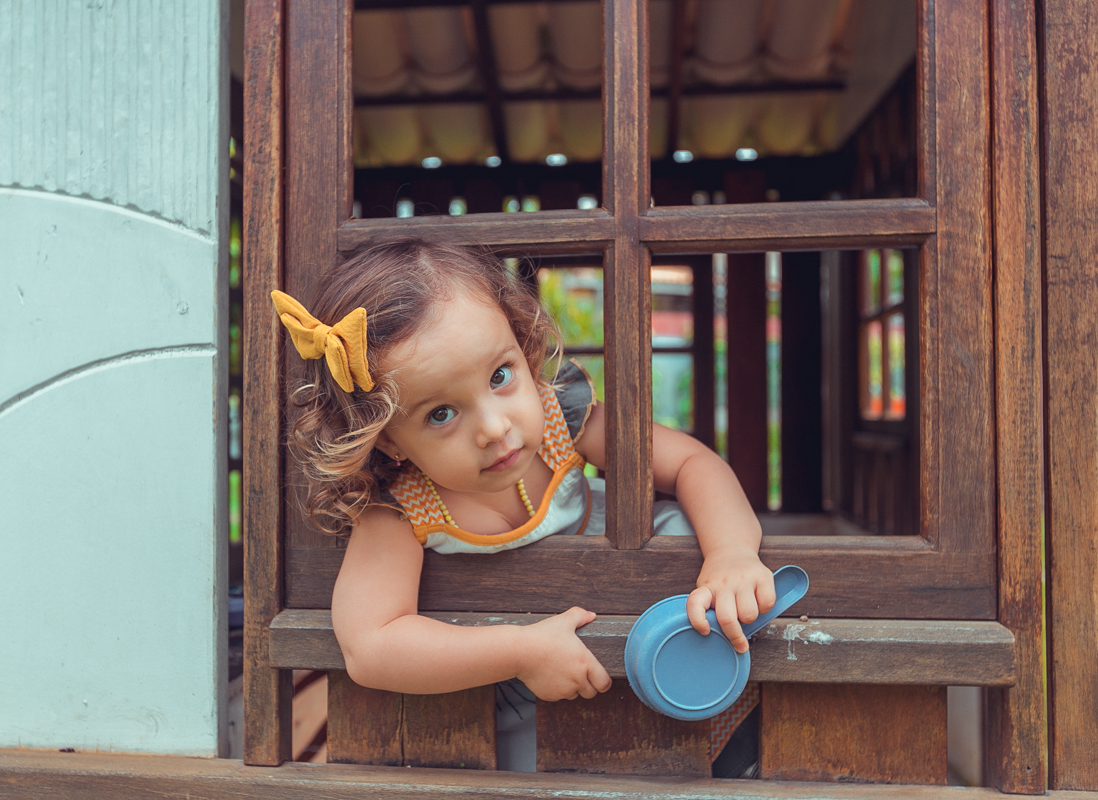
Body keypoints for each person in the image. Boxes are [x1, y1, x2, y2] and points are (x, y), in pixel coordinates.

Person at [271, 238, 775, 772]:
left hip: (668, 639)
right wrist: (519, 651)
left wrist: (731, 553)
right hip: (530, 698)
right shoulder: (402, 509)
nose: (494, 428)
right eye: (441, 414)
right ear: (388, 441)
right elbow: (370, 647)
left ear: (523, 346)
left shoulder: (565, 419)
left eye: (499, 376)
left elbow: (693, 464)